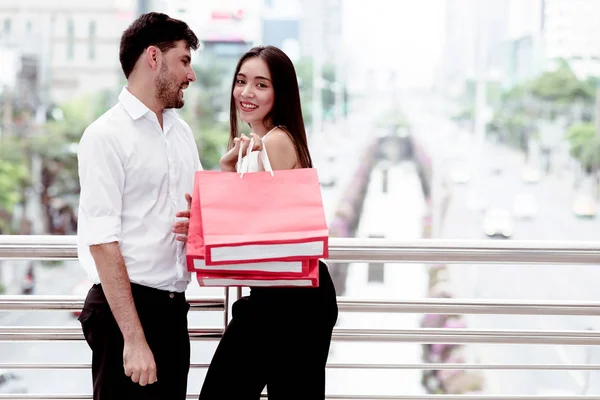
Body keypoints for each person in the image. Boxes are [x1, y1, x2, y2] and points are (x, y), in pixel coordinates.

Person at [198, 45, 339, 400]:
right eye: (241, 81)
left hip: (285, 301)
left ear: (281, 93)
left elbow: (236, 231)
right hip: (294, 294)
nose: (246, 92)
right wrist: (231, 168)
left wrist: (223, 179)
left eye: (261, 85)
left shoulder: (272, 144)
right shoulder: (278, 140)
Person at [76, 12, 200, 400]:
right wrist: (134, 339)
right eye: (184, 60)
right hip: (124, 314)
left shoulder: (182, 133)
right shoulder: (104, 135)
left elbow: (199, 210)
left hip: (172, 310)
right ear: (153, 57)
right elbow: (101, 241)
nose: (190, 75)